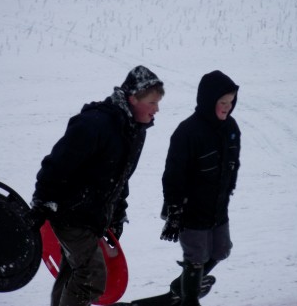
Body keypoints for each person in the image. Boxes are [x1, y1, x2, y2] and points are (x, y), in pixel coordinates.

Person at [29, 66, 164, 306]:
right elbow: (57, 164)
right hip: (69, 213)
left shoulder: (134, 131)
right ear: (133, 98)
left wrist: (116, 215)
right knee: (91, 275)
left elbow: (120, 178)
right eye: (152, 102)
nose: (157, 109)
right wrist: (43, 202)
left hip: (91, 216)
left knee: (73, 270)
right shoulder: (96, 124)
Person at [160, 70, 240, 306]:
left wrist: (229, 188)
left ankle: (181, 285)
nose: (227, 107)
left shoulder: (231, 127)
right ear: (208, 101)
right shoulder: (188, 132)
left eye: (231, 102)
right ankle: (189, 299)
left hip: (217, 206)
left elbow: (233, 163)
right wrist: (174, 209)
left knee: (221, 250)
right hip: (190, 209)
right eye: (222, 102)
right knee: (195, 256)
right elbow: (173, 174)